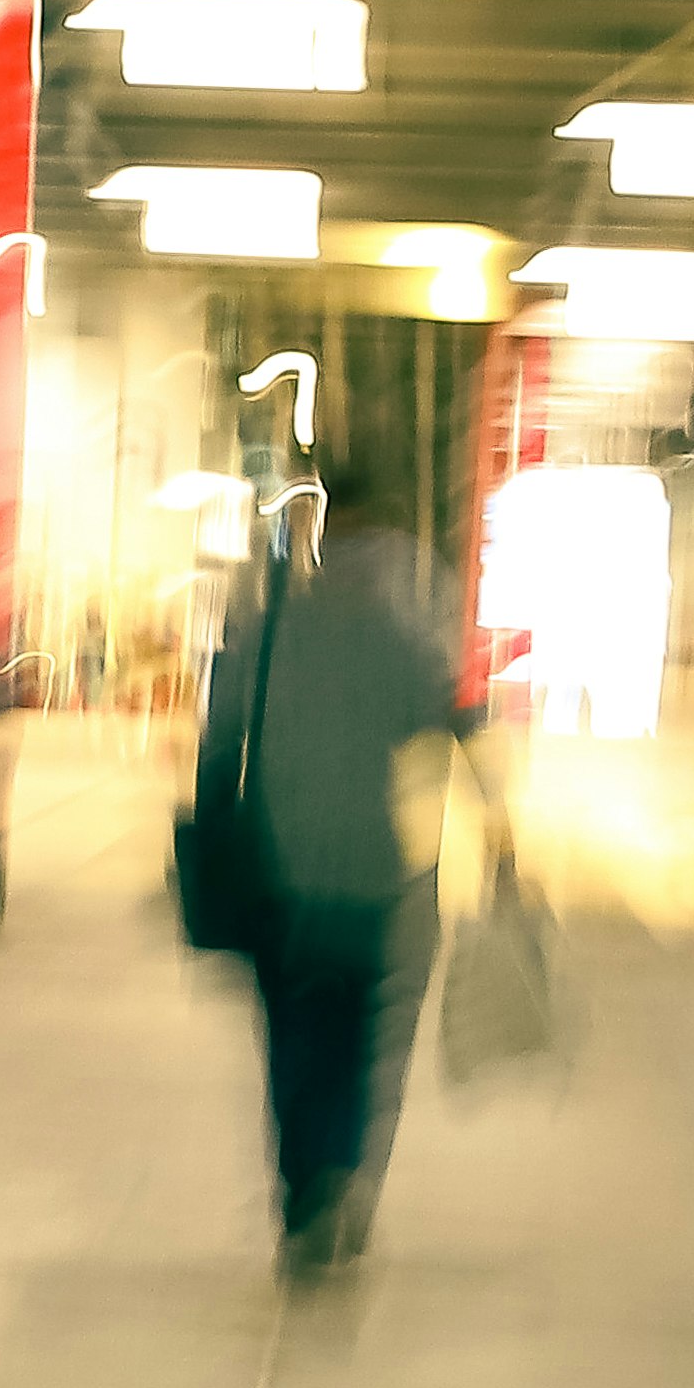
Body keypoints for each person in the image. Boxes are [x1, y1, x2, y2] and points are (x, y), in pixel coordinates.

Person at [195, 486, 494, 1276]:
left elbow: (219, 733)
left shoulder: (268, 626)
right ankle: (337, 1178)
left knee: (290, 1039)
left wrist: (213, 815)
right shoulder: (402, 637)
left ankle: (300, 1195)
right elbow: (456, 720)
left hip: (276, 871)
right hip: (368, 874)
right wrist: (501, 832)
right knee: (359, 1040)